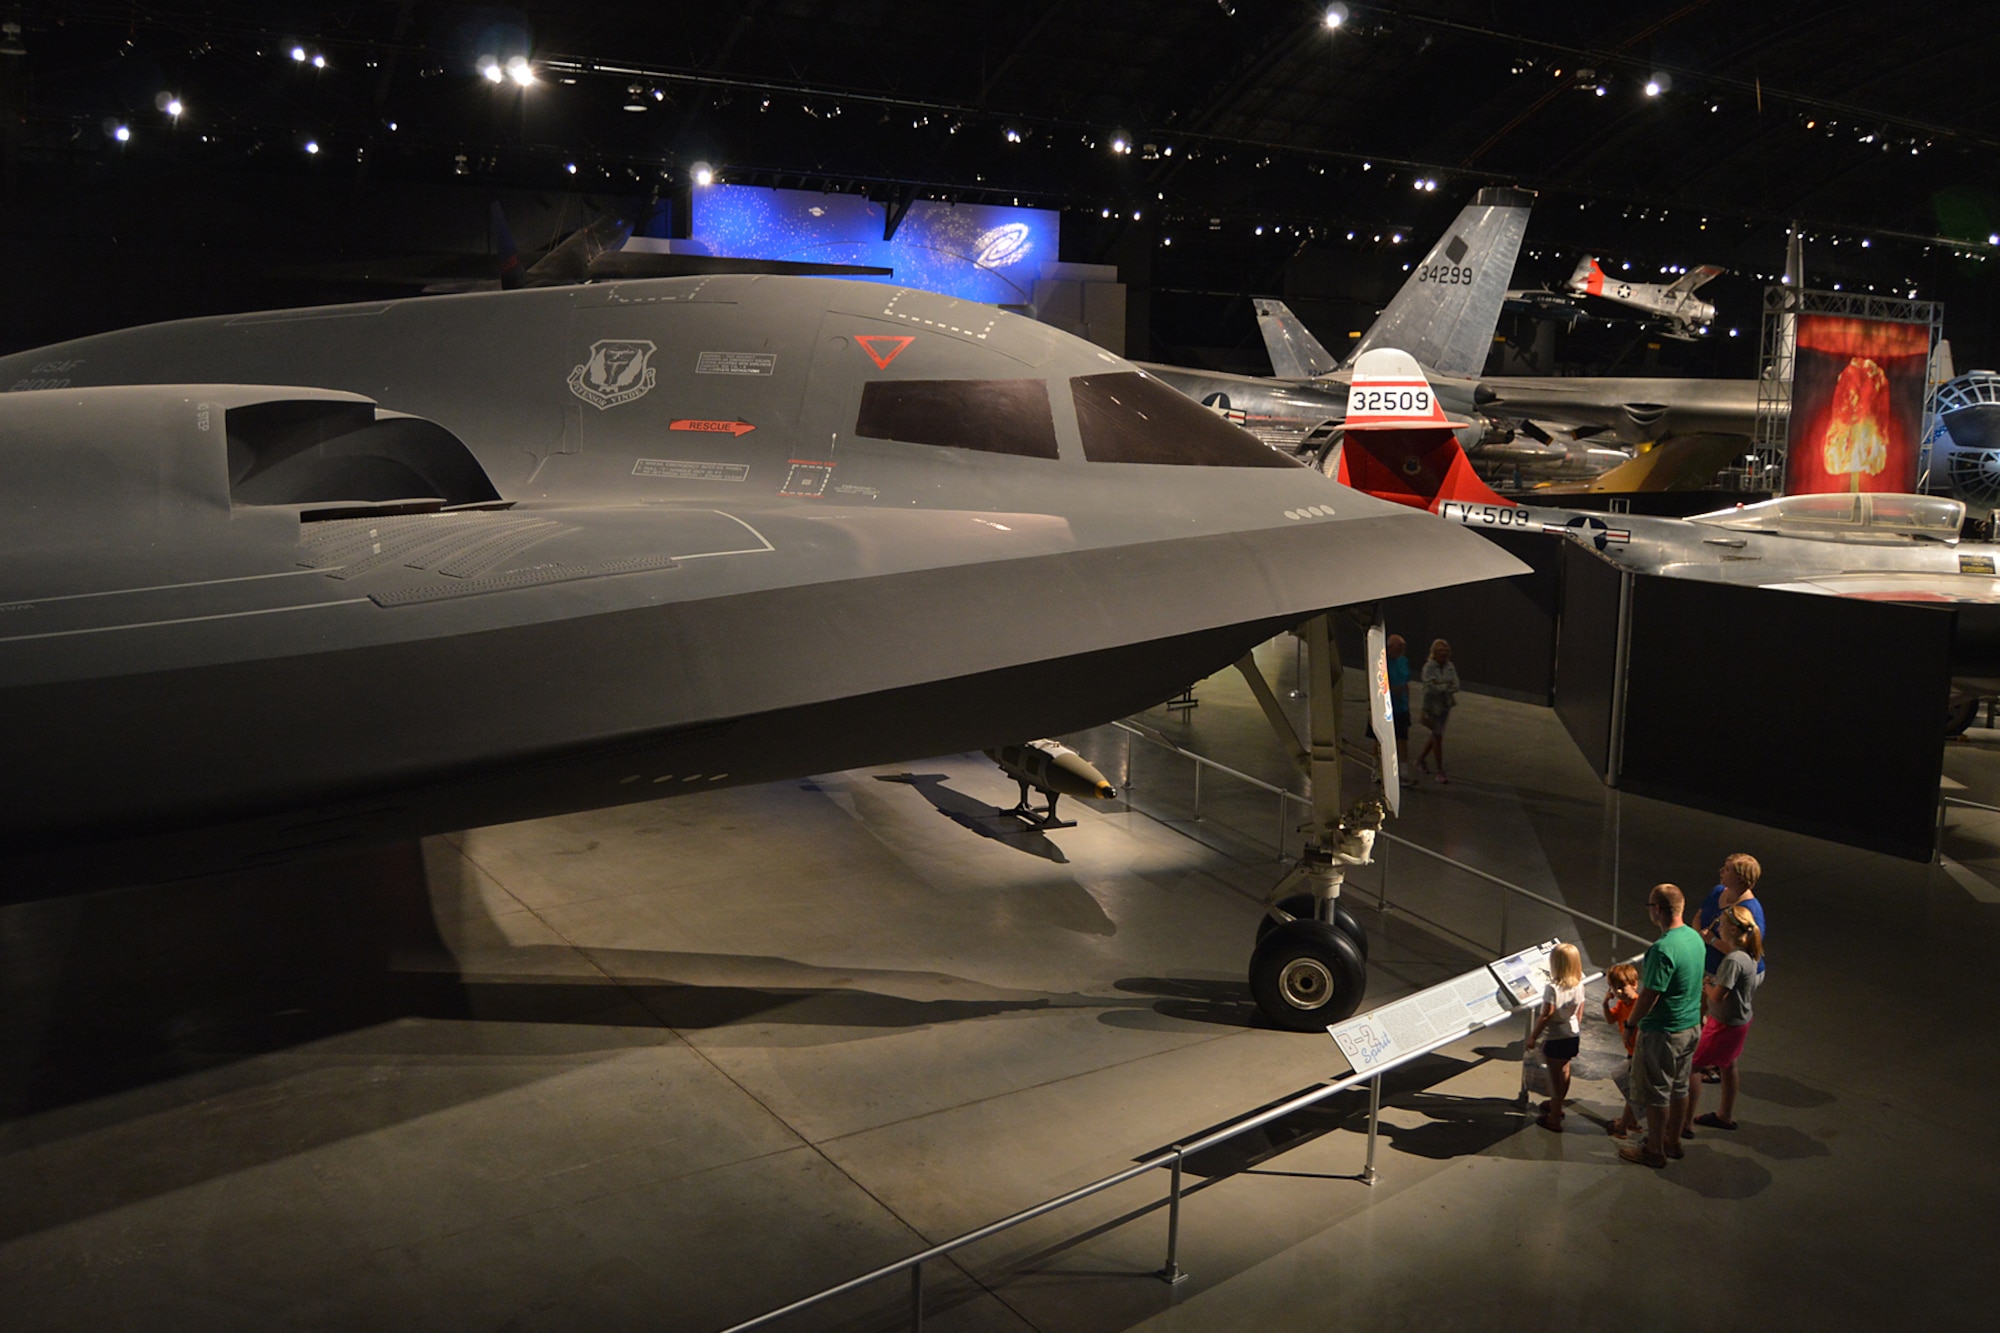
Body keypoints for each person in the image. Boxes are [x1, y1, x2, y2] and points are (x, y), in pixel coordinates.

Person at [1618, 884, 1706, 1168]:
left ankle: (1653, 1150)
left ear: (1657, 910)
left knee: (1657, 1093)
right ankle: (1673, 1141)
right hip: (1690, 1026)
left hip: (1664, 1032)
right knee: (1679, 1088)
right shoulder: (1694, 938)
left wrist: (1632, 1023)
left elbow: (1650, 994)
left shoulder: (1662, 948)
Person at [1687, 905, 1764, 1132]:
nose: (1717, 927)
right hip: (1740, 1021)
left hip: (1724, 1024)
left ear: (1731, 929)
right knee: (1728, 1065)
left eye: (1720, 924)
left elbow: (1719, 996)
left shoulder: (1733, 961)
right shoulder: (1750, 953)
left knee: (1692, 1068)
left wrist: (1707, 985)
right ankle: (1725, 1115)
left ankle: (1684, 1124)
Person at [1693, 853, 1766, 1083]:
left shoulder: (1750, 911)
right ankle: (1707, 1055)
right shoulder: (1718, 892)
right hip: (1712, 965)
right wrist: (1698, 936)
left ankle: (1712, 1062)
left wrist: (1711, 941)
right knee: (1701, 1009)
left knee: (1720, 1015)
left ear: (1741, 878)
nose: (1721, 872)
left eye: (1728, 870)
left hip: (1729, 972)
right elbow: (1699, 917)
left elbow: (1747, 951)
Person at [1527, 942, 1585, 1130]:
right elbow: (1579, 1012)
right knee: (1565, 1071)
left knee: (1553, 1077)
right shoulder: (1579, 984)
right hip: (1572, 1034)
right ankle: (1556, 1105)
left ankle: (1554, 1115)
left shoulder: (1552, 988)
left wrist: (1533, 1037)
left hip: (1555, 1037)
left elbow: (1546, 1014)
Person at [1602, 961, 1642, 1138]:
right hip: (1632, 1053)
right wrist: (1605, 1004)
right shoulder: (1622, 1004)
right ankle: (1631, 1121)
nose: (1617, 992)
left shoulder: (1639, 1005)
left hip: (1639, 1054)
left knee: (1631, 1090)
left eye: (1621, 987)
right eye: (1613, 988)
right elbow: (1611, 1020)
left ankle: (1623, 1126)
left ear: (1634, 984)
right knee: (1629, 1086)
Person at [1416, 638, 1460, 783]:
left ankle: (1420, 760)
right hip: (1432, 708)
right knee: (1437, 736)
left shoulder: (1450, 667)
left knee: (1436, 735)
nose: (1443, 653)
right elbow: (1429, 688)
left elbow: (1456, 685)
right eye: (1440, 650)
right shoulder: (1429, 667)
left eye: (1445, 650)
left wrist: (1440, 685)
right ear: (1434, 652)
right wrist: (1444, 686)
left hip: (1444, 707)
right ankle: (1440, 771)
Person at [1385, 634, 1414, 786]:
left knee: (1403, 739)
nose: (1402, 649)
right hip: (1386, 707)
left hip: (1401, 707)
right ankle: (1378, 768)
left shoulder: (1404, 661)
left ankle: (1403, 772)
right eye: (1399, 646)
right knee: (1381, 740)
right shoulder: (1383, 662)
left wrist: (1407, 704)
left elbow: (1405, 684)